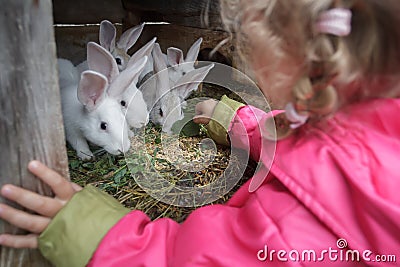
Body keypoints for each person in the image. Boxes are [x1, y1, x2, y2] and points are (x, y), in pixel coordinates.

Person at [1, 0, 400, 266]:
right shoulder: (374, 125)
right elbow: (320, 148)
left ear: (294, 62)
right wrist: (240, 124)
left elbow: (204, 258)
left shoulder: (296, 229)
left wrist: (97, 233)